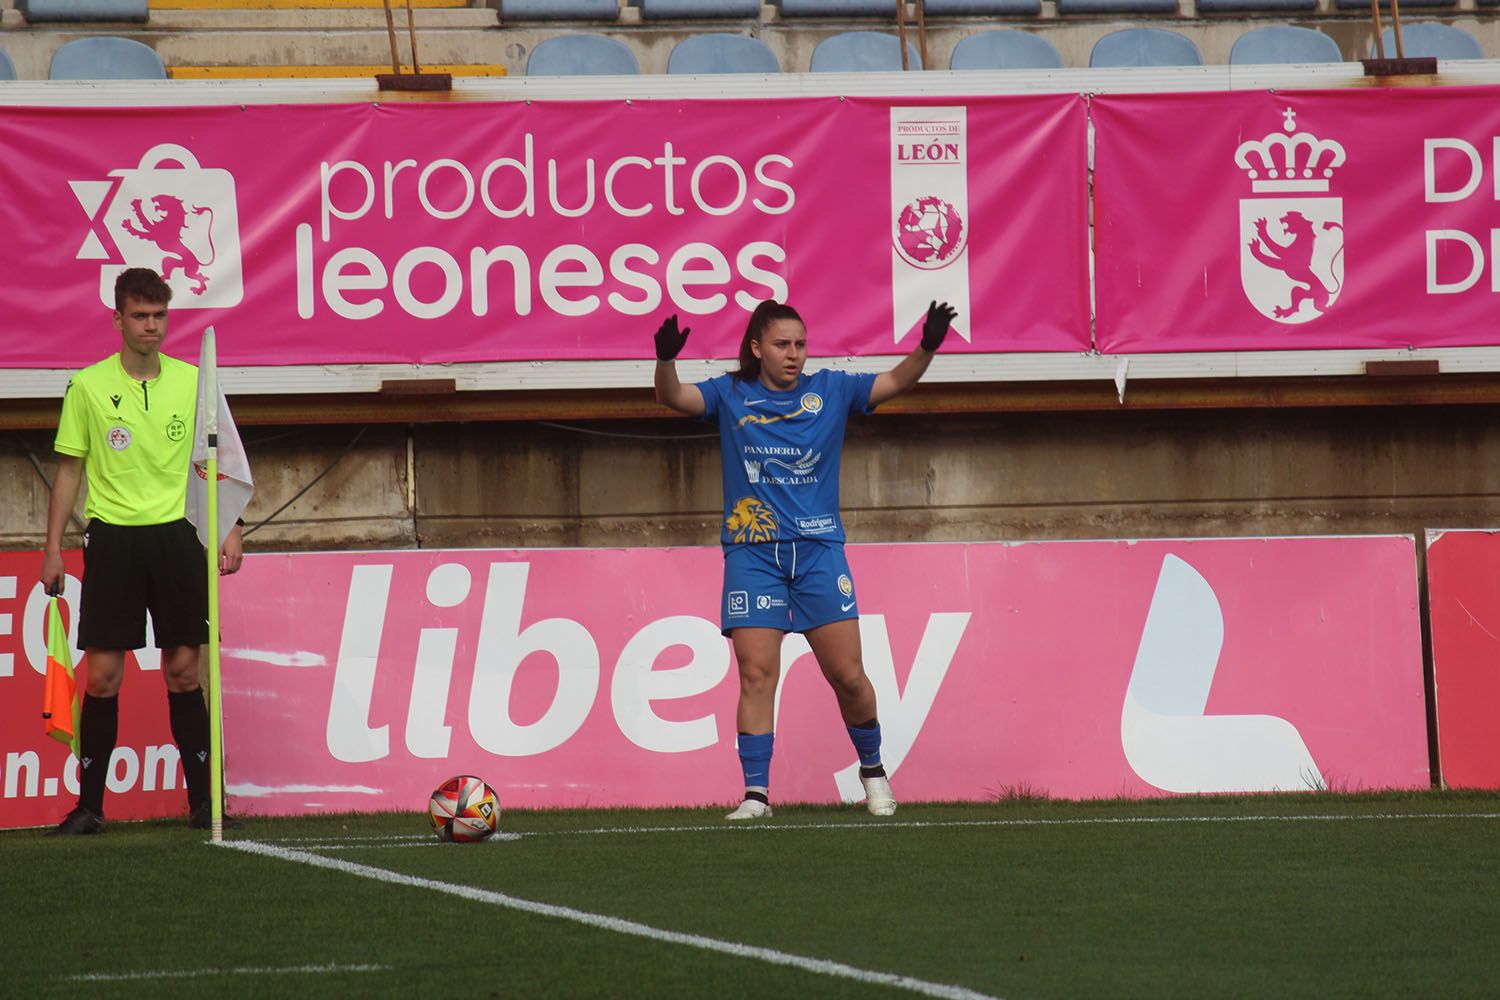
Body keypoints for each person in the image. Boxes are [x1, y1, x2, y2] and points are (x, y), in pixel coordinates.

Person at [653, 298, 957, 820]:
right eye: (781, 345)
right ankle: (755, 797)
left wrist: (927, 345)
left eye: (799, 344)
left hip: (819, 553)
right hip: (753, 554)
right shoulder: (729, 394)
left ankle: (874, 774)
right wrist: (665, 360)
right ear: (756, 348)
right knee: (755, 674)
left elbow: (896, 380)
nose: (793, 355)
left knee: (848, 676)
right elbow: (673, 397)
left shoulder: (833, 390)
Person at [40, 267, 245, 836]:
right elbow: (69, 470)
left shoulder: (193, 380)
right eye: (140, 316)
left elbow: (217, 459)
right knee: (103, 677)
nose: (151, 326)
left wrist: (231, 525)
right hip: (114, 540)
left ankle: (205, 804)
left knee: (184, 672)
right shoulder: (87, 386)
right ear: (118, 319)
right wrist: (52, 547)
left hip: (179, 535)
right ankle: (89, 807)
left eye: (159, 316)